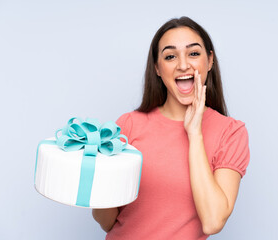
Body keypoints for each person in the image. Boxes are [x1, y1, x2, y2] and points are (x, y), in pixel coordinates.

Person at [92, 16, 250, 239]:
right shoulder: (127, 125)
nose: (183, 65)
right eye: (170, 56)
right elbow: (107, 221)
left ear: (210, 60)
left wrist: (195, 134)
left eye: (193, 53)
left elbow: (213, 221)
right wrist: (98, 177)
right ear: (157, 67)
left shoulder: (230, 133)